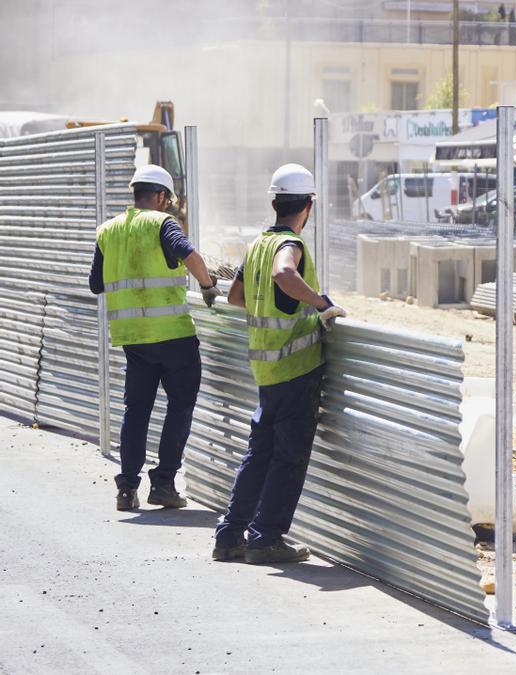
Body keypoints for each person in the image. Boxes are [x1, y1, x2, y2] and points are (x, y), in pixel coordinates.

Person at [212, 164, 346, 564]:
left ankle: (229, 536)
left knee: (260, 453)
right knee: (288, 458)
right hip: (295, 368)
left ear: (274, 202)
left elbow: (236, 295)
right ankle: (266, 538)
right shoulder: (290, 245)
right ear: (308, 207)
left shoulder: (255, 245)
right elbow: (284, 273)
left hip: (265, 369)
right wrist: (321, 303)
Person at [90, 164, 220, 511]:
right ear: (161, 197)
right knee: (180, 406)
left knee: (137, 410)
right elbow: (190, 255)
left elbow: (95, 284)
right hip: (174, 336)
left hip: (134, 339)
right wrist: (208, 286)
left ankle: (126, 488)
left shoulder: (108, 231)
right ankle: (163, 483)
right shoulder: (163, 223)